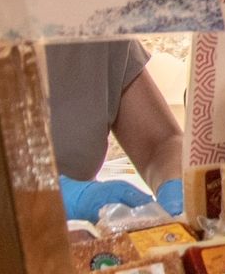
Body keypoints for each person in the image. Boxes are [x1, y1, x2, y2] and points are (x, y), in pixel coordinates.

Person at [46, 40, 183, 222]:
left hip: (81, 242)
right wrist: (52, 199)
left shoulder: (97, 28)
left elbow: (160, 144)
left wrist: (176, 185)